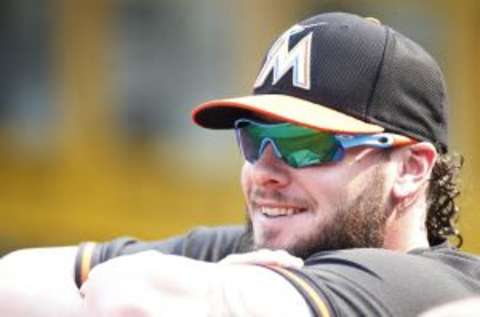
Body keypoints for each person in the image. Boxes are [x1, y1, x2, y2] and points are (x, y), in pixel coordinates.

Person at [0, 11, 478, 317]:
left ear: (411, 168)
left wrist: (183, 284)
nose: (265, 171)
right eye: (255, 140)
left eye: (304, 143)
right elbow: (13, 281)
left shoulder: (434, 286)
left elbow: (134, 301)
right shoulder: (258, 252)